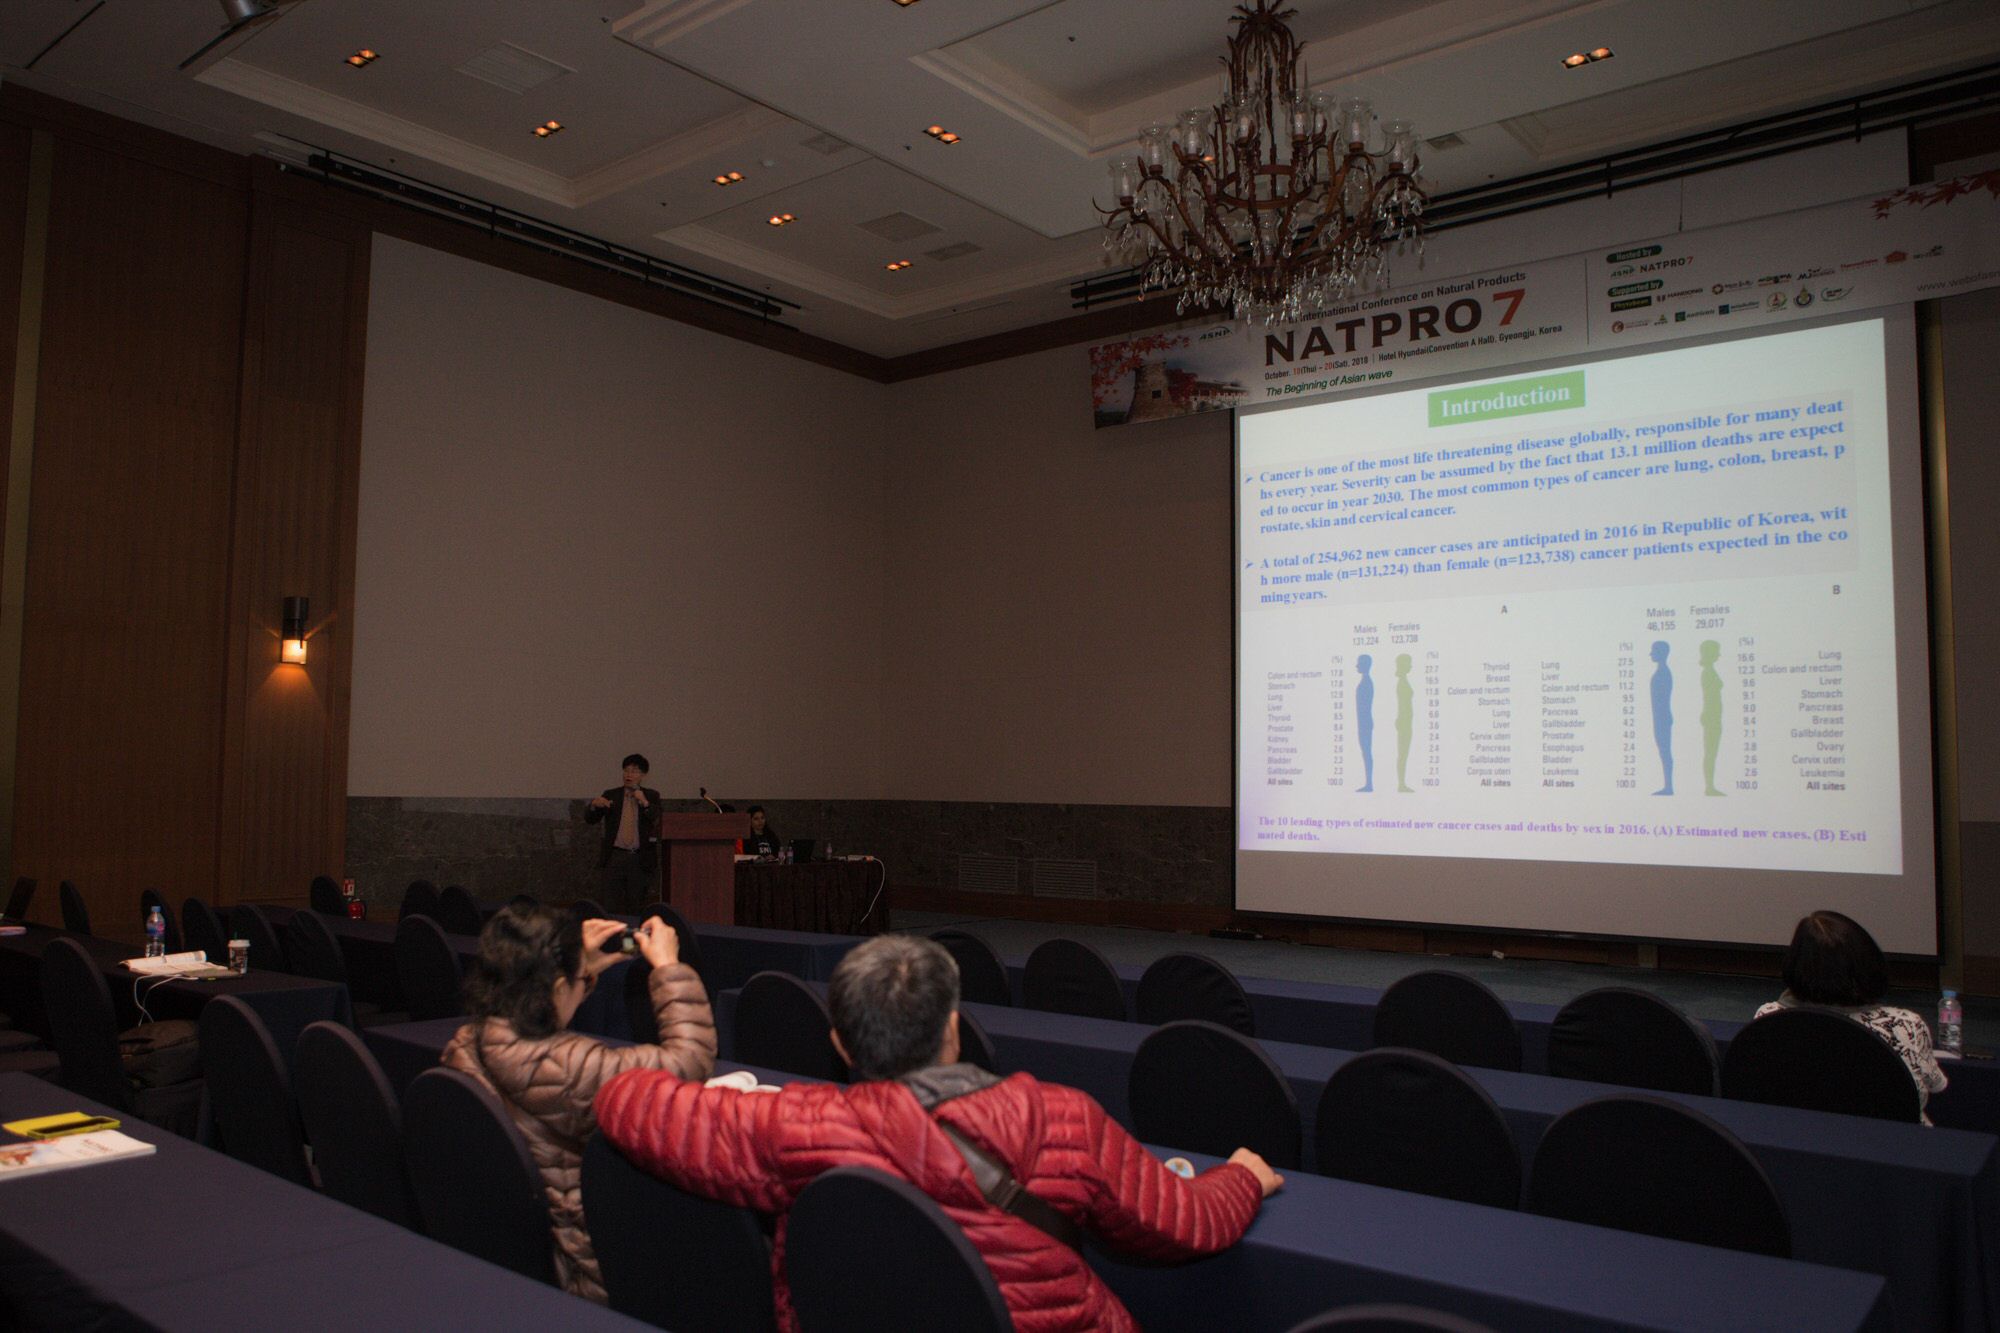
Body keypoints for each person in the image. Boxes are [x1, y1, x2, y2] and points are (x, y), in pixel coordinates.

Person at [595, 934, 1280, 1333]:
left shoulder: (798, 1128)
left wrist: (734, 1093)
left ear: (840, 1045)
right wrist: (1242, 1178)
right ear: (953, 1027)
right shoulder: (1064, 1117)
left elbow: (626, 1100)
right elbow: (1180, 1223)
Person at [443, 903, 717, 1301]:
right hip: (586, 1265)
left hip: (510, 1254)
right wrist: (668, 967)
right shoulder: (569, 1067)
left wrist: (579, 971)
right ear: (557, 990)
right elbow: (691, 1061)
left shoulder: (467, 1043)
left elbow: (542, 1019)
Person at [1755, 910, 1947, 1122]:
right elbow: (1936, 1085)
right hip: (1892, 1138)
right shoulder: (1905, 1026)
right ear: (1868, 961)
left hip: (1796, 1131)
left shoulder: (1769, 1018)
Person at [584, 753, 662, 909]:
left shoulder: (651, 795)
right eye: (626, 770)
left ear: (643, 775)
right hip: (615, 856)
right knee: (609, 904)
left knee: (635, 904)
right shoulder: (611, 794)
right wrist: (593, 805)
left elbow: (657, 818)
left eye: (634, 771)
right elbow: (591, 819)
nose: (629, 775)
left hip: (639, 858)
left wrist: (644, 802)